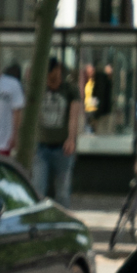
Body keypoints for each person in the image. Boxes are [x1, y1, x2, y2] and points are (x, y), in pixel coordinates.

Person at [33, 59, 81, 202]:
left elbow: (74, 117)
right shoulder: (38, 88)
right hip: (41, 146)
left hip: (62, 147)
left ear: (58, 70)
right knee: (38, 187)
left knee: (63, 191)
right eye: (47, 79)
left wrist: (71, 139)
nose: (50, 82)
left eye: (52, 78)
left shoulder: (70, 89)